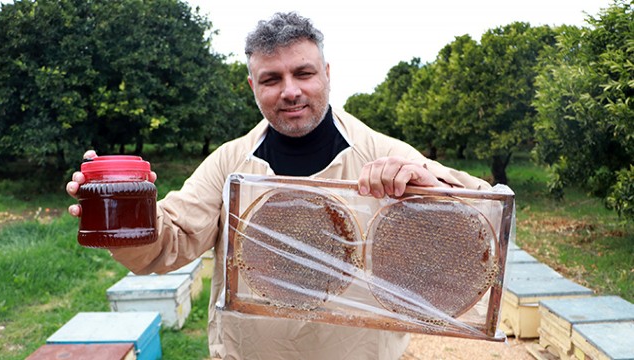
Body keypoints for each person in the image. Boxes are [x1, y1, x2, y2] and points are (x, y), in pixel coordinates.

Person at [66, 11, 490, 360]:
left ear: (326, 73)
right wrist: (126, 219)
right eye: (271, 79)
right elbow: (170, 240)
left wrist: (431, 189)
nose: (290, 91)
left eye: (303, 73)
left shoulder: (383, 153)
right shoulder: (230, 163)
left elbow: (481, 214)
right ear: (253, 86)